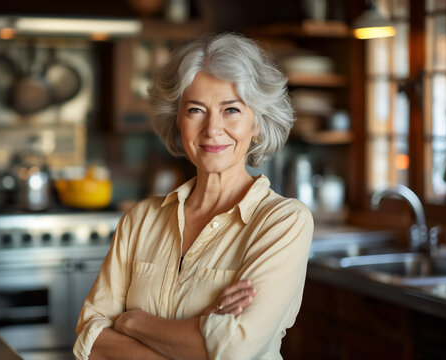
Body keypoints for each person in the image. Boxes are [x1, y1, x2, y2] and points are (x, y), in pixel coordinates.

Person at [74, 32, 313, 360]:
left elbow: (234, 349)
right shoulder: (141, 219)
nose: (212, 129)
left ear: (256, 123)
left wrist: (132, 322)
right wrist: (201, 333)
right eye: (196, 110)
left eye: (231, 110)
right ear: (177, 120)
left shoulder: (283, 222)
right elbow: (90, 335)